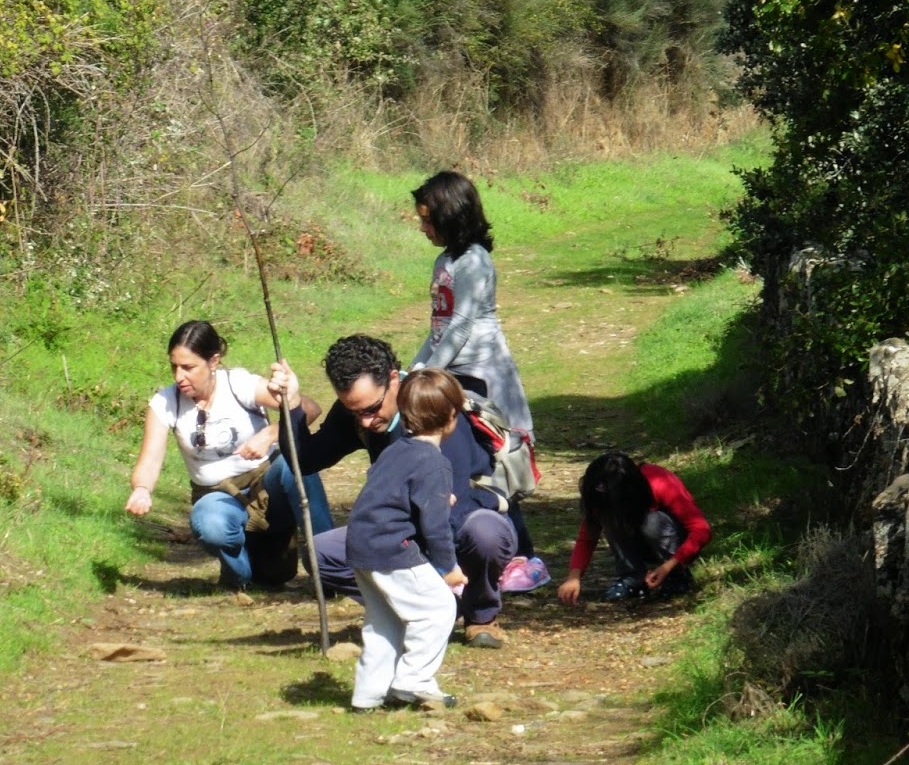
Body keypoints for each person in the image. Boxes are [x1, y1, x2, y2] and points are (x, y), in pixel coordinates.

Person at [269, 334, 535, 649]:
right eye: (355, 412)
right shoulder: (360, 411)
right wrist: (292, 405)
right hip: (405, 526)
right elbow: (306, 461)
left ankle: (480, 614)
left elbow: (449, 509)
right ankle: (427, 608)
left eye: (371, 409)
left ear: (394, 379)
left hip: (459, 517)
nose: (365, 422)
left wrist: (431, 563)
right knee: (321, 554)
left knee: (486, 534)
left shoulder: (435, 407)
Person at [126, 320, 332, 592]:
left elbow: (309, 408)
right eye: (174, 367)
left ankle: (329, 566)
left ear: (213, 361)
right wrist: (142, 490)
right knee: (209, 524)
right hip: (218, 496)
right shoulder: (165, 403)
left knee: (295, 464)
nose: (179, 377)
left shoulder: (239, 385)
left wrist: (271, 434)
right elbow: (150, 460)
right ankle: (237, 575)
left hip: (268, 489)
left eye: (188, 367)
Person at [348, 370, 467, 712]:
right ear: (451, 415)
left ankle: (368, 695)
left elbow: (388, 491)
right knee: (438, 608)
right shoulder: (434, 463)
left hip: (362, 544)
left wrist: (433, 501)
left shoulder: (395, 450)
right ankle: (414, 679)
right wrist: (449, 568)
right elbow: (436, 528)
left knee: (383, 622)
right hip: (392, 548)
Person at [409, 170, 533, 438]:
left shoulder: (474, 261)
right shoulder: (444, 261)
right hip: (451, 372)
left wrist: (428, 374)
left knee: (499, 444)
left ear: (450, 217)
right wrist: (416, 367)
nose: (422, 228)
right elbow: (439, 327)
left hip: (482, 375)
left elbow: (461, 326)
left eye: (428, 221)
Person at [557, 451, 711, 605]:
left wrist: (669, 566)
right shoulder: (603, 498)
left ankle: (677, 576)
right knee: (608, 515)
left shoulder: (659, 481)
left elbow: (701, 530)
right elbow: (587, 537)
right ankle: (633, 579)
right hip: (637, 542)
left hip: (674, 545)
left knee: (652, 522)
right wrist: (574, 577)